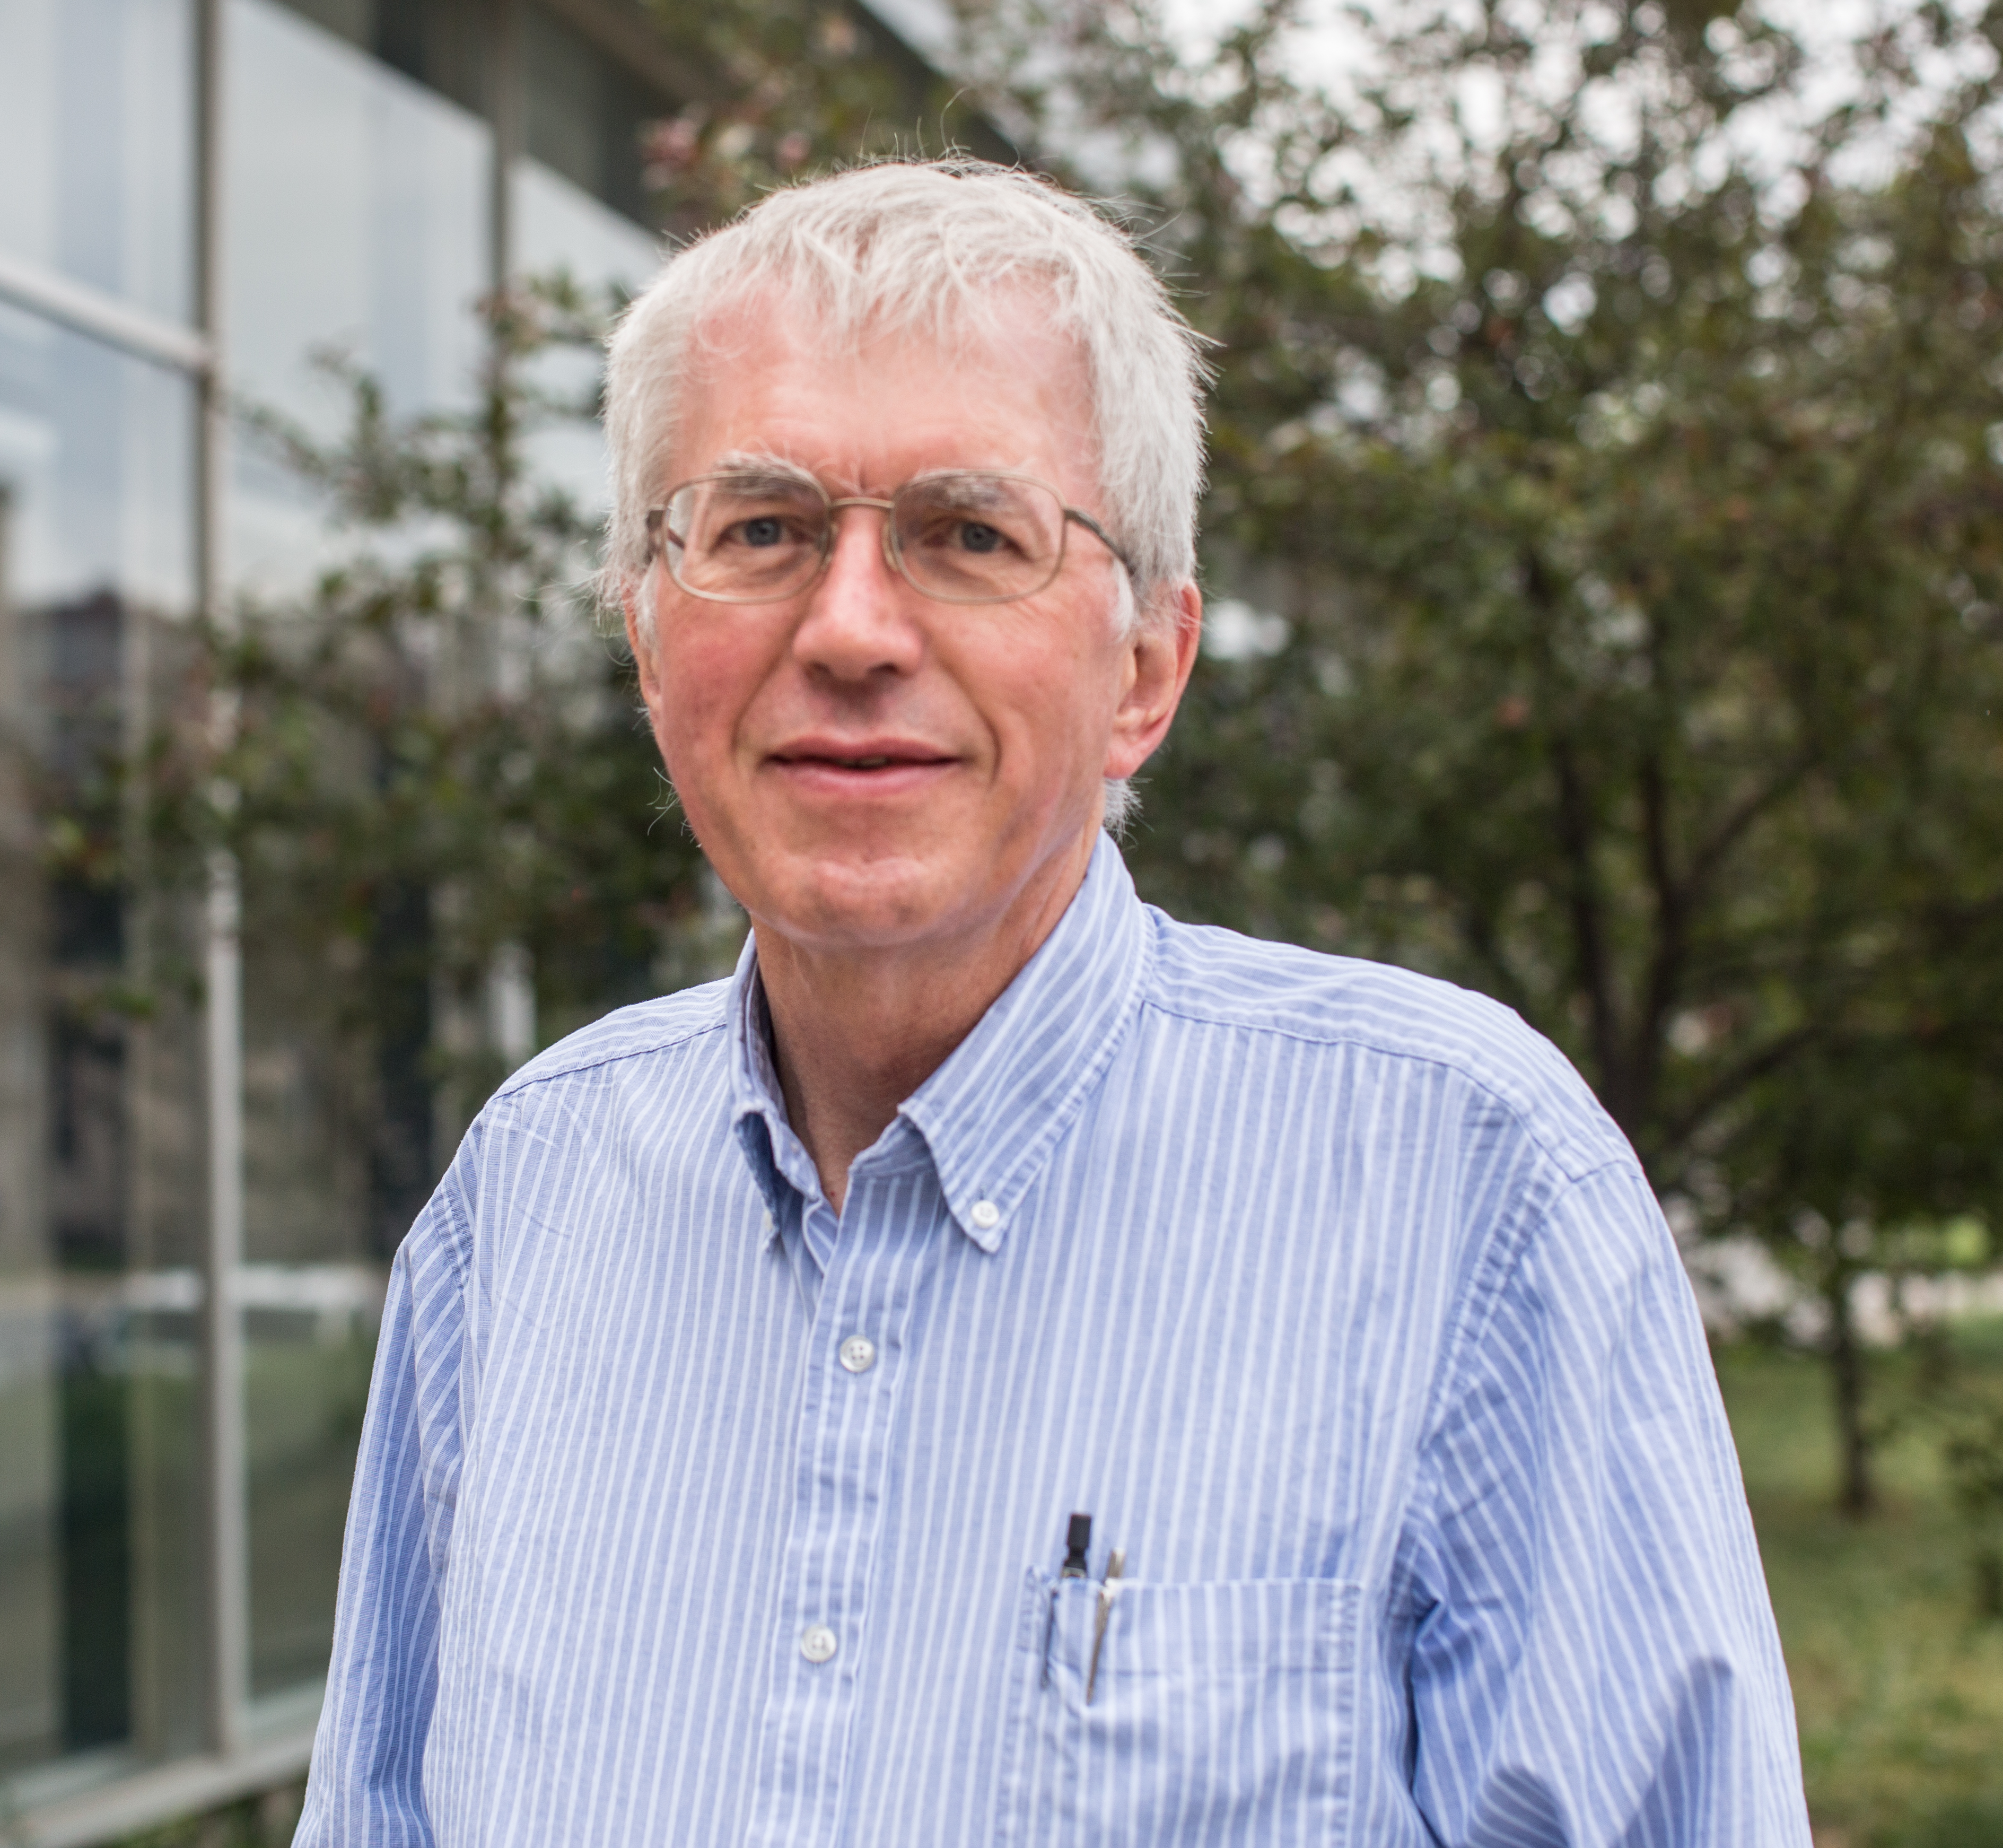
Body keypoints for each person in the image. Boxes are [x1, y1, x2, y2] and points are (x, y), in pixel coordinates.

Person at [295, 160, 1808, 1846]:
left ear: (1145, 669)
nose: (851, 627)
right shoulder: (522, 1204)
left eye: (967, 534)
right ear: (650, 638)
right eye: (762, 529)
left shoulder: (1466, 1185)